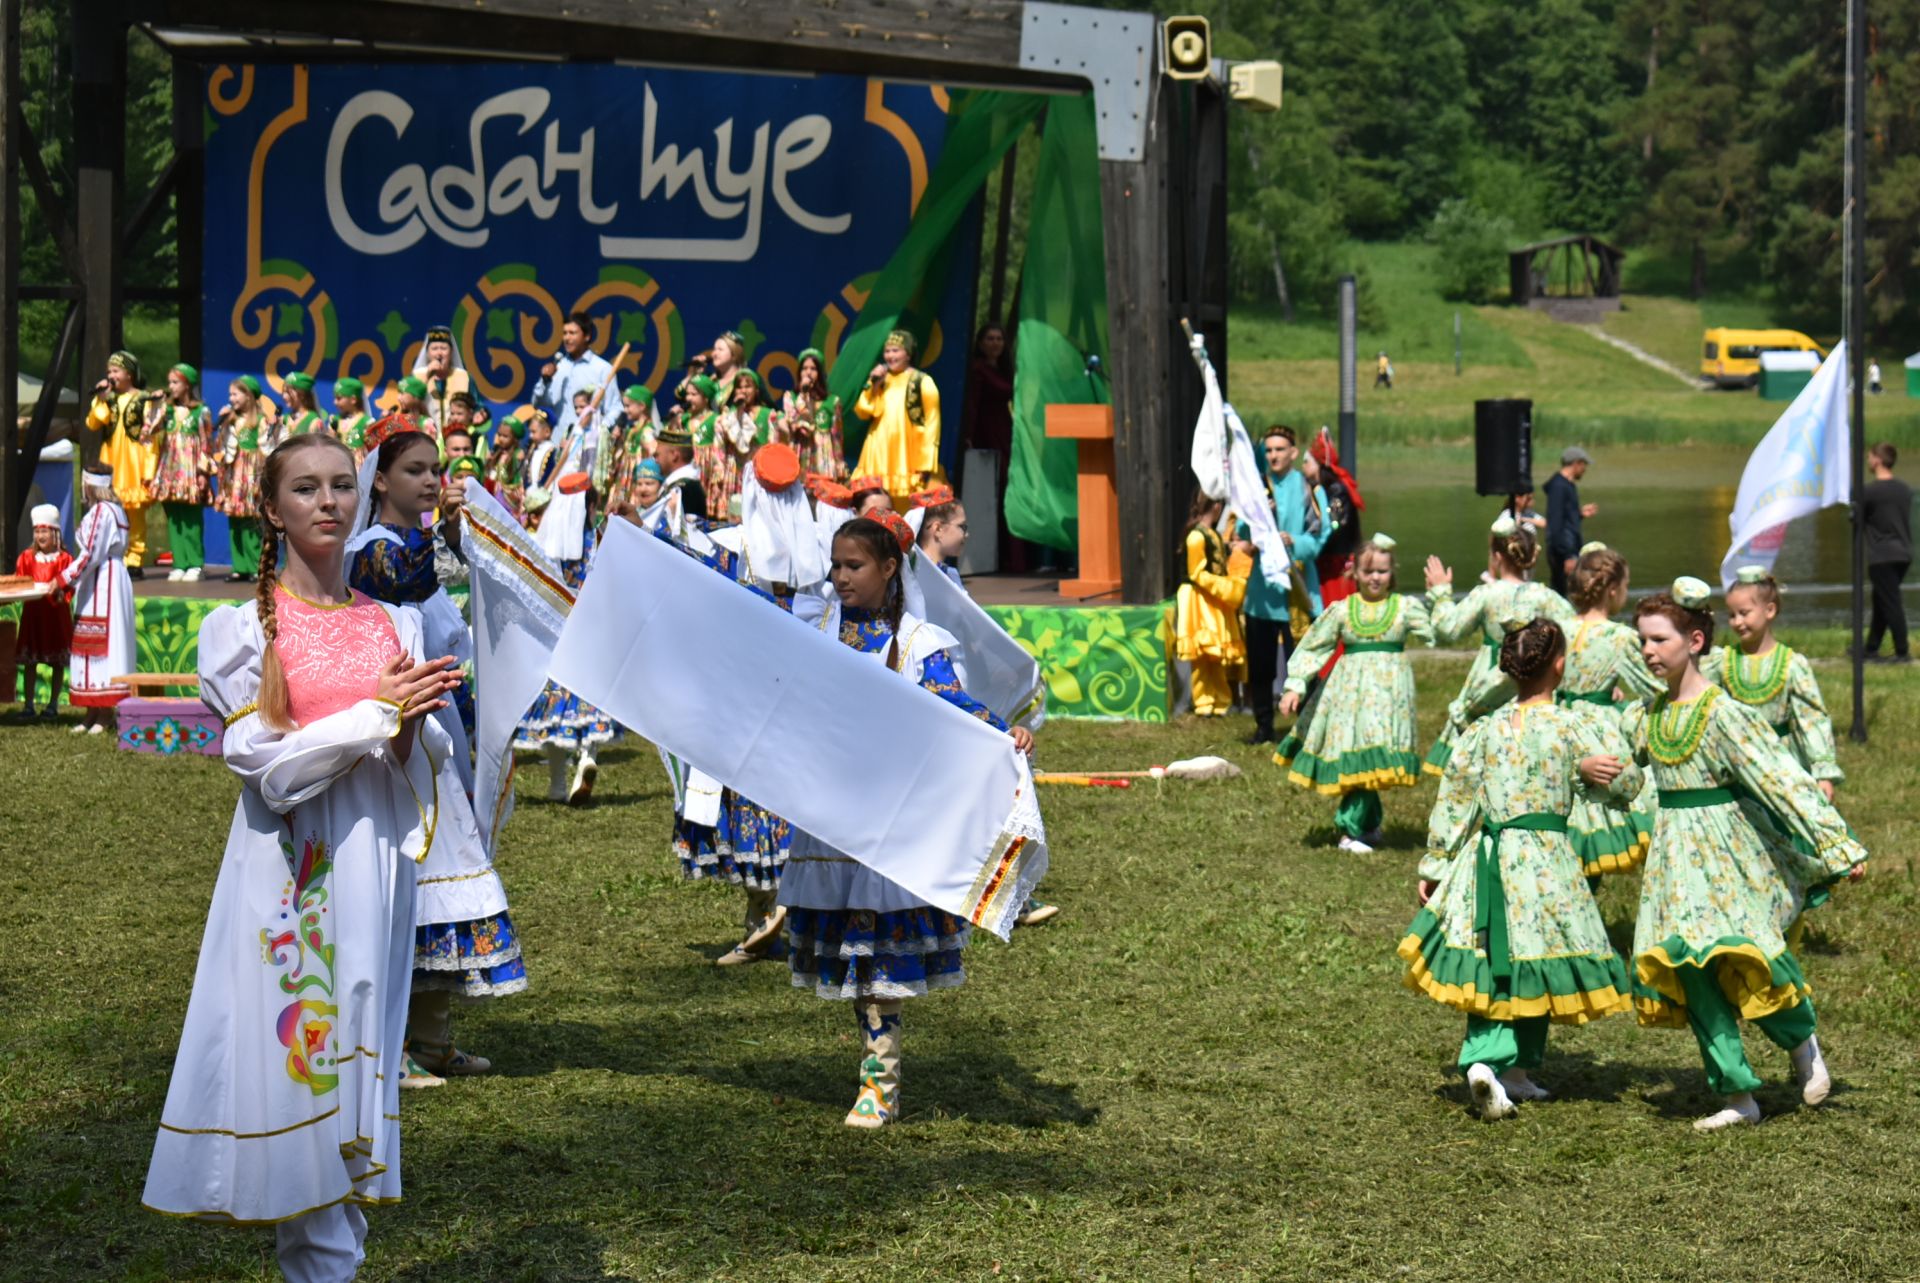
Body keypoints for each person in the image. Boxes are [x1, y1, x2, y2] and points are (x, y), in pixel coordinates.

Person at [141, 433, 464, 1277]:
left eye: (343, 486)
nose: (329, 501)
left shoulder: (389, 619)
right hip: (291, 885)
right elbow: (266, 766)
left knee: (355, 1087)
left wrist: (415, 726)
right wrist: (376, 713)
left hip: (376, 878)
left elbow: (407, 767)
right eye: (307, 487)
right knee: (304, 1081)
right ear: (272, 507)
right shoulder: (245, 626)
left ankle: (331, 1261)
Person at [779, 516, 1034, 1126]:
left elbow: (953, 705)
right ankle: (876, 1068)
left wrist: (1005, 733)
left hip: (889, 825)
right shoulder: (814, 632)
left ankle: (880, 1083)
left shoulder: (921, 643)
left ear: (890, 568)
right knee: (852, 955)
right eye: (835, 566)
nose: (840, 578)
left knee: (878, 955)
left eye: (854, 566)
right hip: (830, 819)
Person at [1625, 579, 1864, 1131]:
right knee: (1690, 968)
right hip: (1673, 862)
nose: (1648, 651)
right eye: (1643, 641)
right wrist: (1597, 776)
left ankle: (1802, 1043)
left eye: (1660, 639)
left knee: (1750, 954)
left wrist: (1835, 841)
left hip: (1728, 855)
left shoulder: (1724, 713)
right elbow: (1627, 778)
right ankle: (1737, 1095)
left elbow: (1782, 780)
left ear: (1696, 641)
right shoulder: (1647, 716)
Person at [1398, 619, 1640, 1121]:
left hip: (1487, 857)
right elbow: (1629, 784)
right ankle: (1494, 1064)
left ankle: (1509, 1071)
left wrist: (1436, 864)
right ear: (1560, 664)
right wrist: (1593, 770)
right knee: (1536, 958)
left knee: (1494, 956)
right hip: (1547, 864)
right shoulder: (1573, 727)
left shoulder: (1483, 731)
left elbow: (1454, 801)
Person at [348, 421, 525, 1090]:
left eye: (435, 468)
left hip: (439, 727)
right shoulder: (374, 550)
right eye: (417, 470)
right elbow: (404, 585)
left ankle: (432, 1039)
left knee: (447, 877)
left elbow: (451, 637)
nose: (430, 480)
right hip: (399, 735)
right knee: (409, 883)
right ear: (383, 479)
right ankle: (386, 1047)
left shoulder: (414, 542)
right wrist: (448, 530)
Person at [1276, 534, 1433, 852]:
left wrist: (1442, 597)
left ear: (1392, 573)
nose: (1375, 578)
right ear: (1355, 573)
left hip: (1389, 698)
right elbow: (1314, 645)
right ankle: (1351, 830)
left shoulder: (1404, 608)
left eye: (1382, 571)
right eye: (1368, 571)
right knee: (1361, 752)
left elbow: (1440, 629)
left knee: (1373, 753)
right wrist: (1295, 685)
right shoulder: (1343, 611)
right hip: (1350, 698)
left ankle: (1368, 823)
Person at [1422, 517, 1577, 775]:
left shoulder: (1487, 595)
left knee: (1484, 747)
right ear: (1532, 556)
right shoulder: (1547, 598)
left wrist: (1440, 592)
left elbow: (1448, 629)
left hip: (1492, 674)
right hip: (1537, 678)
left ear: (1496, 556)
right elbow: (1575, 635)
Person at [1559, 545, 1662, 876]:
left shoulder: (1559, 628)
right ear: (1614, 590)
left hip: (1558, 721)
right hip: (1598, 729)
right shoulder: (1619, 637)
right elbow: (1654, 687)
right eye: (1627, 586)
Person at [1705, 568, 1842, 800]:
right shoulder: (1722, 662)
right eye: (1731, 615)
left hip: (1783, 764)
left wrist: (1823, 773)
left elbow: (1812, 719)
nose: (1737, 622)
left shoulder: (1792, 665)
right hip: (1739, 760)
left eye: (1744, 613)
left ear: (1769, 610)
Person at [1240, 425, 1329, 745]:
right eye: (1269, 450)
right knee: (1261, 665)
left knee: (1303, 664)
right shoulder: (1257, 489)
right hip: (1262, 595)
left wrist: (1295, 541)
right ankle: (1264, 726)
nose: (1274, 455)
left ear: (1293, 453)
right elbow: (1242, 537)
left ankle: (1307, 729)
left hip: (1297, 592)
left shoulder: (1306, 488)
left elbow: (1319, 537)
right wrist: (1258, 528)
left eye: (1280, 449)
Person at [62, 465, 136, 731]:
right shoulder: (114, 510)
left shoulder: (102, 511)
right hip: (106, 576)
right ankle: (92, 711)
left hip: (103, 579)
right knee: (90, 640)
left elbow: (91, 553)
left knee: (104, 642)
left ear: (89, 485)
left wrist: (64, 579)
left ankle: (104, 712)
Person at [1174, 492, 1253, 718]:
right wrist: (1227, 588)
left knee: (1215, 652)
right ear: (1216, 507)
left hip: (1210, 597)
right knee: (1201, 653)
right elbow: (1197, 573)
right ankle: (1204, 701)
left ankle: (1220, 700)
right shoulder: (1197, 537)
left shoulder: (1211, 535)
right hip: (1198, 598)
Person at [85, 349, 158, 578]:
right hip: (112, 458)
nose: (111, 375)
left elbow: (150, 436)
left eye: (116, 370)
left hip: (134, 460)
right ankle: (113, 552)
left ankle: (135, 557)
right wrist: (101, 398)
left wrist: (149, 468)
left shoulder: (143, 399)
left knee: (134, 511)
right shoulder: (109, 399)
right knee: (112, 508)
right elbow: (95, 422)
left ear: (129, 374)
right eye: (109, 371)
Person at [852, 329, 944, 510]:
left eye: (896, 350)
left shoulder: (921, 381)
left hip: (905, 454)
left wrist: (925, 463)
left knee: (904, 505)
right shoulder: (880, 379)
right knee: (873, 500)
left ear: (908, 354)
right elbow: (863, 410)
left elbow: (933, 423)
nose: (890, 356)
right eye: (887, 351)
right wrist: (873, 385)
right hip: (877, 451)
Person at [141, 363, 215, 582]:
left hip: (190, 471)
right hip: (170, 471)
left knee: (191, 518)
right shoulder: (168, 410)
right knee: (174, 518)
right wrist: (155, 407)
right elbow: (148, 431)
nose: (171, 387)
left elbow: (205, 443)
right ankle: (180, 562)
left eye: (175, 382)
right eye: (170, 382)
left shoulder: (201, 412)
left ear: (187, 384)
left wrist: (203, 472)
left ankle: (195, 563)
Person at [960, 323, 1016, 568]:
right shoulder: (977, 369)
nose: (995, 343)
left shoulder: (1006, 369)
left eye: (999, 339)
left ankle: (1013, 558)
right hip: (986, 431)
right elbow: (972, 404)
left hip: (1004, 429)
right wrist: (969, 435)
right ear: (981, 343)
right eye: (990, 338)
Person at [14, 504, 74, 716]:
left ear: (55, 532)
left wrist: (60, 593)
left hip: (55, 616)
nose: (40, 536)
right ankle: (29, 704)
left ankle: (53, 704)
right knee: (30, 662)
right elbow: (20, 581)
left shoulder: (65, 559)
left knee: (56, 663)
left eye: (44, 531)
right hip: (33, 615)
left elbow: (69, 586)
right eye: (37, 531)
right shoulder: (26, 558)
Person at [217, 375, 271, 581]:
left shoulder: (259, 421)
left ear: (248, 396)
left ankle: (255, 565)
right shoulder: (231, 419)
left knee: (250, 520)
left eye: (235, 394)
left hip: (249, 473)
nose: (231, 398)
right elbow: (222, 446)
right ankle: (239, 566)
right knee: (235, 519)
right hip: (233, 474)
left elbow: (265, 448)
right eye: (230, 394)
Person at [1861, 442, 1911, 662]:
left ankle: (1902, 651)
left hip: (1882, 555)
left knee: (1890, 603)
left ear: (1877, 460)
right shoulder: (1904, 490)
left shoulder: (1869, 492)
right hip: (1903, 552)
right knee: (1882, 600)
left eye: (1870, 456)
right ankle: (1871, 648)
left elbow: (1858, 519)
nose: (1868, 460)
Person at [532, 311, 616, 433]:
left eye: (572, 333)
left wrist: (599, 431)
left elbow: (614, 408)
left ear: (587, 336)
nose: (567, 338)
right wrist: (544, 381)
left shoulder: (602, 369)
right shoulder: (558, 367)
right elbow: (539, 406)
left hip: (584, 444)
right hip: (558, 444)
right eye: (564, 333)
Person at [1308, 427, 1364, 604]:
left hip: (1335, 566)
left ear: (1319, 465)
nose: (1302, 467)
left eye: (1306, 462)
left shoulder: (1336, 490)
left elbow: (1334, 526)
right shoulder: (1321, 490)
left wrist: (1310, 543)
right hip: (1326, 564)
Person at [784, 347, 847, 482]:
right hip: (800, 451)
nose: (808, 373)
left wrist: (839, 461)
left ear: (820, 372)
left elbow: (837, 436)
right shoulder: (791, 397)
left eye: (813, 369)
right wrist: (803, 393)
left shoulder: (832, 401)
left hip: (823, 454)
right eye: (804, 368)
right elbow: (792, 421)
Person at [1544, 446, 1597, 596]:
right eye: (1584, 465)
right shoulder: (1559, 487)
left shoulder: (1567, 485)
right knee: (1565, 592)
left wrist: (1578, 514)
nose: (1585, 469)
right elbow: (1555, 524)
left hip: (1567, 548)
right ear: (1576, 463)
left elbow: (1563, 517)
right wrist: (1567, 555)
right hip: (1563, 550)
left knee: (1567, 591)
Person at [413, 325, 473, 429]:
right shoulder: (417, 376)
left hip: (456, 436)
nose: (439, 353)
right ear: (427, 353)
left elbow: (476, 408)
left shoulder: (463, 377)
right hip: (426, 436)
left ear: (451, 353)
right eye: (434, 348)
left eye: (444, 348)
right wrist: (427, 376)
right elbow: (410, 403)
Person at [914, 486, 970, 590]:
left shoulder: (951, 575)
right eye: (962, 526)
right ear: (938, 529)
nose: (966, 534)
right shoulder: (917, 576)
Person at [278, 371, 330, 443]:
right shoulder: (285, 419)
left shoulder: (313, 421)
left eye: (288, 392)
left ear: (302, 395)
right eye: (283, 392)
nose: (284, 396)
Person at [332, 376, 373, 462]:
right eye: (335, 398)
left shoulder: (366, 422)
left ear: (353, 399)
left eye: (339, 398)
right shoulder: (336, 420)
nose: (335, 402)